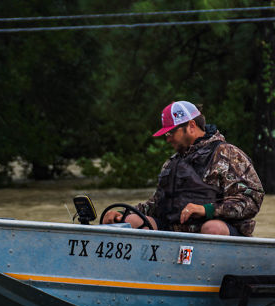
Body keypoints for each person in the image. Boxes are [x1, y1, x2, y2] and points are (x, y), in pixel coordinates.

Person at [102, 100, 264, 236]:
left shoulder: (228, 154)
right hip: (173, 232)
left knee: (212, 228)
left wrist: (206, 210)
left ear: (191, 126)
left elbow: (252, 199)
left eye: (171, 133)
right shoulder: (172, 163)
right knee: (131, 221)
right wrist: (122, 214)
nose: (168, 139)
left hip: (216, 231)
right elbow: (156, 204)